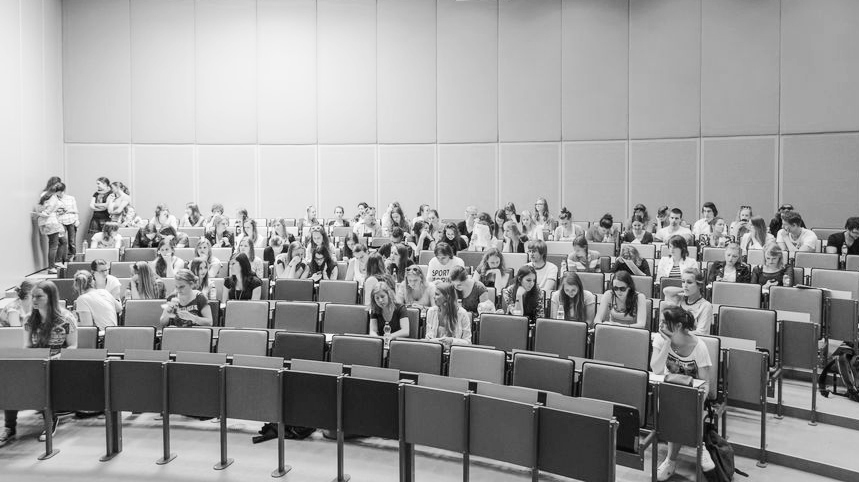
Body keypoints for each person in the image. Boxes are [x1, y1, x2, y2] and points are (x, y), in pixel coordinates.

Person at [0, 281, 76, 446]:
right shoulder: (29, 319)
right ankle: (9, 427)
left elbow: (72, 346)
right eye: (33, 296)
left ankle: (50, 420)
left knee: (41, 380)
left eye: (39, 296)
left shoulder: (66, 319)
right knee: (10, 381)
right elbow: (27, 346)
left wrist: (57, 357)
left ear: (51, 297)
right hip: (36, 362)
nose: (34, 300)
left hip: (58, 364)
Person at [650, 305, 715, 481]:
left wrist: (697, 400)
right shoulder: (660, 339)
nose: (660, 325)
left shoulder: (698, 346)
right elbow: (656, 369)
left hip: (693, 394)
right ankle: (697, 446)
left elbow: (706, 383)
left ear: (678, 326)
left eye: (665, 322)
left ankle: (673, 459)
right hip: (667, 391)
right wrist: (667, 343)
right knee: (673, 406)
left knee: (680, 409)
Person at [425, 282, 472, 346]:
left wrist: (452, 341)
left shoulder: (462, 314)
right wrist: (428, 338)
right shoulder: (431, 312)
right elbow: (428, 336)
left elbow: (468, 342)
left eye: (437, 294)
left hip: (455, 352)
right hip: (434, 351)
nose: (434, 297)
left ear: (447, 297)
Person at [35, 183, 66, 273]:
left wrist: (40, 214)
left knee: (56, 243)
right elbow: (47, 212)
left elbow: (40, 209)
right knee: (53, 246)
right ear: (59, 191)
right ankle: (51, 267)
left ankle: (55, 264)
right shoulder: (53, 198)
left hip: (44, 223)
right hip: (52, 222)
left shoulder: (44, 196)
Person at [678, 268, 713, 335]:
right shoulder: (679, 299)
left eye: (689, 282)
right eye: (683, 282)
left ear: (699, 285)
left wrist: (678, 334)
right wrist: (683, 290)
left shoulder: (706, 306)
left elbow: (702, 333)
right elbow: (666, 291)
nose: (685, 285)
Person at [54, 183, 79, 261]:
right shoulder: (54, 199)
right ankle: (62, 260)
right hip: (60, 222)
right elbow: (54, 212)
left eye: (61, 192)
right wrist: (59, 212)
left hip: (71, 221)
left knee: (72, 242)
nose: (60, 194)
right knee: (61, 242)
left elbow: (76, 211)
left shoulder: (71, 198)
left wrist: (77, 220)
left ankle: (72, 259)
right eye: (58, 192)